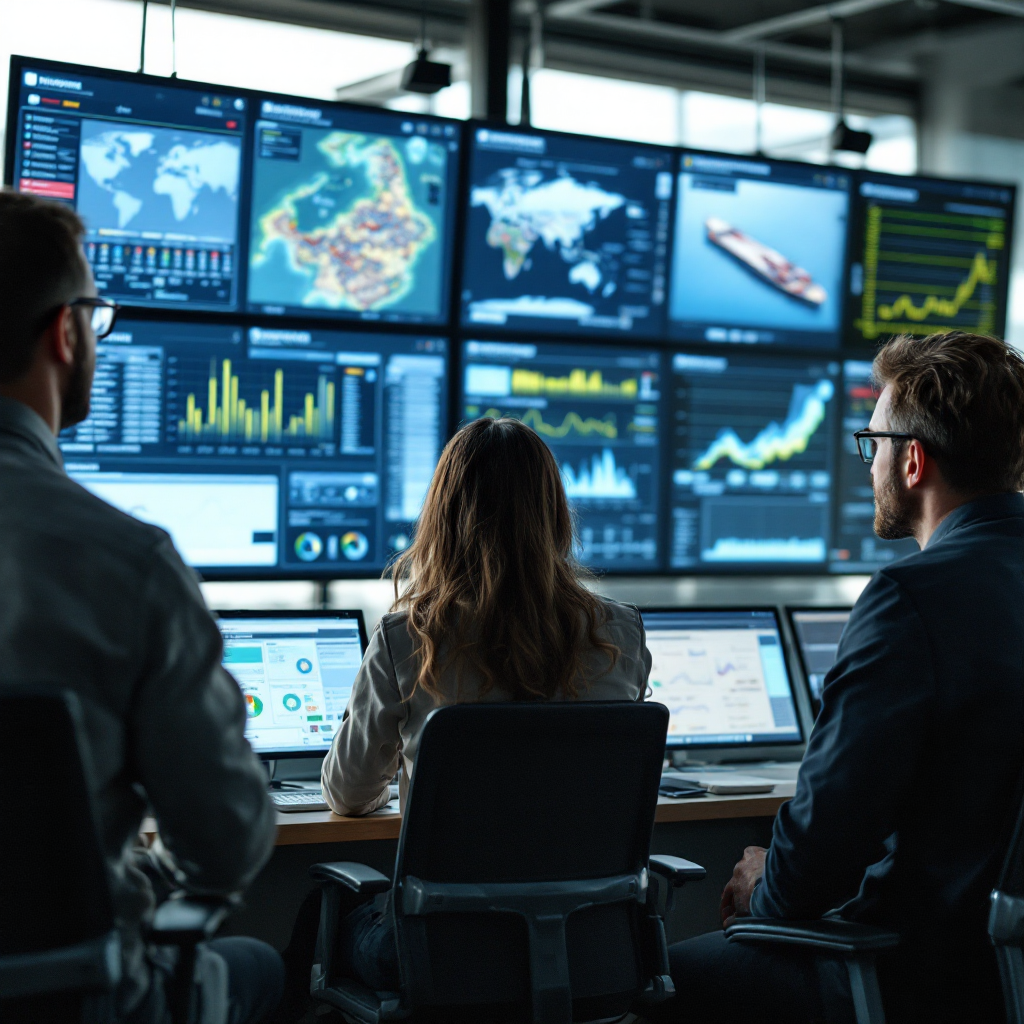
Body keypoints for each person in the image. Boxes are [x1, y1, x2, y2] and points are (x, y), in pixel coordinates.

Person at [652, 330, 1024, 1024]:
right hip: (1006, 972)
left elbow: (819, 854)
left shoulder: (911, 598)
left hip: (911, 973)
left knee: (655, 984)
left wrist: (762, 881)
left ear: (913, 461)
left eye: (873, 444)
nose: (869, 464)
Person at [0, 189, 284, 1023]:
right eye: (95, 314)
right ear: (65, 332)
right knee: (259, 968)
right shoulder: (127, 564)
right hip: (70, 1002)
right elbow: (228, 844)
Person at [285, 416, 651, 997]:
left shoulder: (411, 637)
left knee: (319, 917)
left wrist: (402, 777)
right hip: (588, 952)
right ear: (556, 515)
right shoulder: (621, 633)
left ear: (442, 518)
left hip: (444, 960)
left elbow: (347, 795)